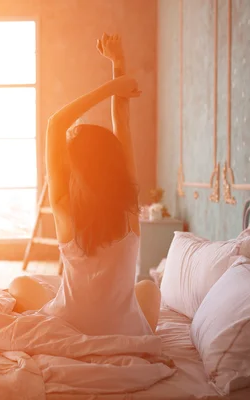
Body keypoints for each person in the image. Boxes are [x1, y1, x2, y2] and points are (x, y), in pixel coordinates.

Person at [9, 33, 162, 336]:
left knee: (19, 284)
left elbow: (55, 124)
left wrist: (111, 86)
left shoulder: (64, 209)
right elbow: (123, 122)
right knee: (149, 289)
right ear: (114, 164)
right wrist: (118, 63)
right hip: (125, 330)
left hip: (71, 327)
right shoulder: (130, 207)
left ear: (75, 169)